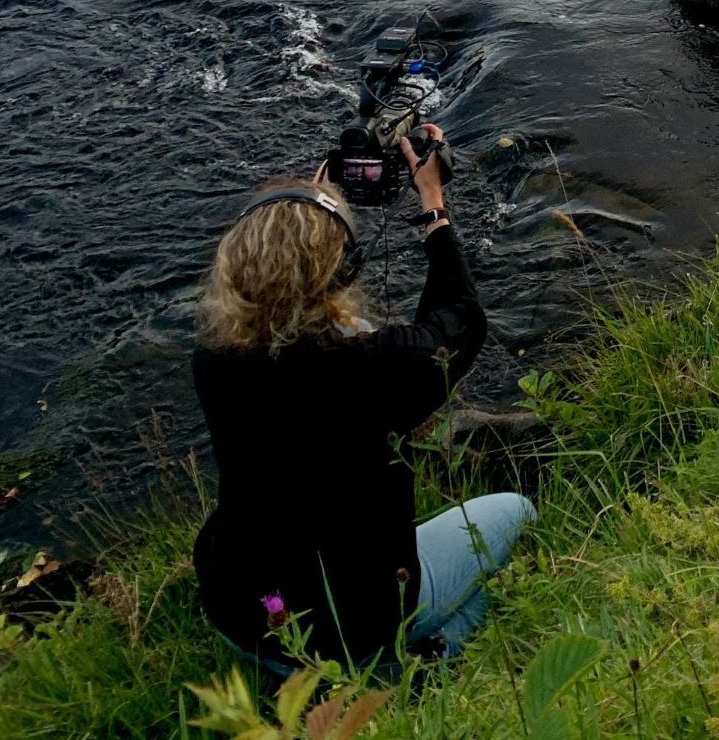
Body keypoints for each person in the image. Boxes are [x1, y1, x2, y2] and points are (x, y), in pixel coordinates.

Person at [192, 128, 533, 671]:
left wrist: (314, 201)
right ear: (342, 269)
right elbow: (461, 320)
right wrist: (433, 203)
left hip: (239, 610)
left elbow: (305, 339)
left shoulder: (213, 358)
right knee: (517, 514)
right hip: (349, 620)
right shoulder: (374, 366)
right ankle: (412, 672)